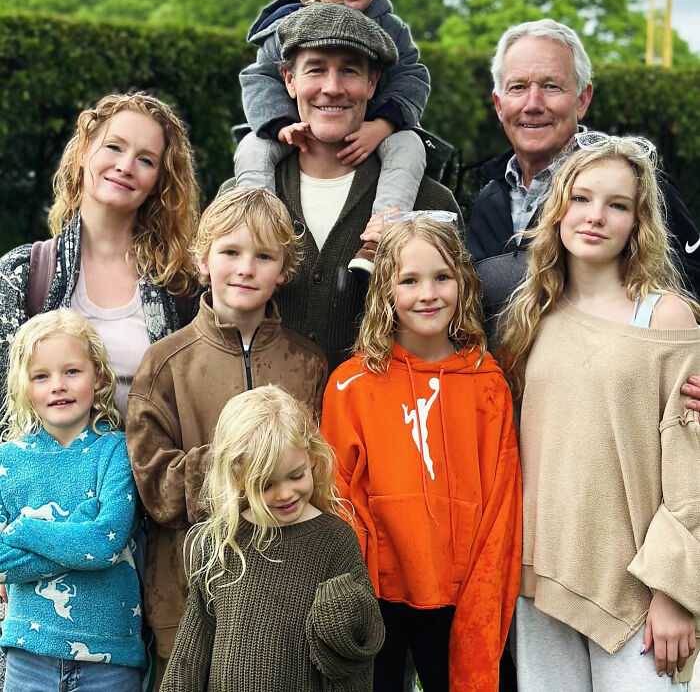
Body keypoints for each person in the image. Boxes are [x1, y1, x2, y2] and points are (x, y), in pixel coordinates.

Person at [499, 136, 700, 691]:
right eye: (582, 199)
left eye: (617, 205)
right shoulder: (532, 316)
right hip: (539, 578)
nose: (595, 216)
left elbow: (691, 467)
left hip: (640, 592)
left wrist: (675, 590)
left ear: (638, 223)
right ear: (557, 208)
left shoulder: (663, 316)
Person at [126, 188, 327, 684]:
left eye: (264, 256)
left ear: (284, 270)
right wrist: (245, 462)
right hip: (189, 598)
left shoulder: (308, 364)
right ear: (203, 259)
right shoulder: (165, 363)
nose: (245, 268)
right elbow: (156, 487)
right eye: (231, 252)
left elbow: (322, 481)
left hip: (289, 605)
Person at [321, 215, 522, 692]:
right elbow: (339, 497)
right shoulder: (352, 384)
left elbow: (501, 503)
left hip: (460, 592)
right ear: (385, 291)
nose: (428, 294)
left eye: (442, 277)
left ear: (463, 282)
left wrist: (483, 590)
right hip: (378, 593)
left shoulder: (487, 383)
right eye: (409, 280)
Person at [222, 2, 462, 374]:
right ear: (289, 80)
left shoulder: (429, 203)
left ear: (372, 83)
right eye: (316, 69)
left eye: (349, 71)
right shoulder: (236, 200)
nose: (332, 88)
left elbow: (460, 330)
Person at [466, 19, 700, 326]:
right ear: (499, 104)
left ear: (583, 99)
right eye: (518, 87)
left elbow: (690, 296)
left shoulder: (638, 186)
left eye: (551, 86)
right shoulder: (489, 199)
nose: (532, 104)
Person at [236, 0, 430, 275]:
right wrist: (280, 125)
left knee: (410, 145)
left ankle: (381, 237)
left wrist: (384, 125)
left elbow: (412, 76)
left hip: (372, 128)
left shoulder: (390, 28)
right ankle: (256, 227)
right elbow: (260, 78)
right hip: (295, 129)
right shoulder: (286, 26)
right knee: (252, 148)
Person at [160, 384, 385, 692]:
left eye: (296, 475)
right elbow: (190, 654)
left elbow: (358, 648)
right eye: (265, 484)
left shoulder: (334, 540)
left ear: (312, 458)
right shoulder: (222, 541)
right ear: (237, 478)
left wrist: (344, 618)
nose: (284, 494)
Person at [0, 91, 201, 418]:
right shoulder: (20, 276)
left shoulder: (181, 286)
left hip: (150, 453)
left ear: (158, 182)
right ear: (84, 150)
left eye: (146, 160)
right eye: (114, 147)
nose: (125, 166)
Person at [0, 309, 144, 691]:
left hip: (110, 658)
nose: (58, 386)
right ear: (23, 387)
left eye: (72, 371)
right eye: (41, 376)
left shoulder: (116, 451)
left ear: (98, 377)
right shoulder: (7, 461)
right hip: (28, 658)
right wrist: (80, 527)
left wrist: (22, 529)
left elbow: (105, 544)